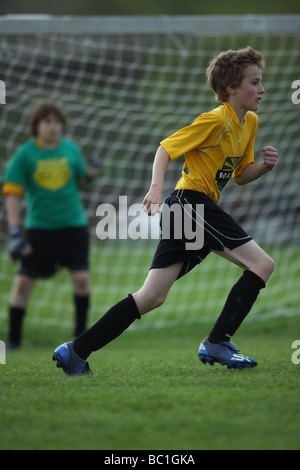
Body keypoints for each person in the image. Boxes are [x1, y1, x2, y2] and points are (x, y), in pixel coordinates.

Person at [53, 46, 278, 376]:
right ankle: (217, 342)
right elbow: (165, 148)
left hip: (190, 209)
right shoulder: (215, 120)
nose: (261, 89)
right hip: (190, 204)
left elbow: (240, 176)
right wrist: (156, 188)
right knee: (262, 264)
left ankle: (75, 350)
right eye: (254, 83)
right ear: (231, 88)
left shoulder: (250, 123)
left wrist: (263, 167)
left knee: (152, 296)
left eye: (261, 82)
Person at [2, 102, 102, 349]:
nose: (53, 127)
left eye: (57, 122)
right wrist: (15, 231)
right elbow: (12, 193)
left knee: (81, 280)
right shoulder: (25, 154)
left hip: (74, 227)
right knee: (23, 283)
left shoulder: (71, 150)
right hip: (40, 229)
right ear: (36, 126)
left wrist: (91, 175)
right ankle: (13, 340)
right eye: (47, 122)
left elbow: (82, 183)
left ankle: (80, 336)